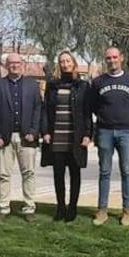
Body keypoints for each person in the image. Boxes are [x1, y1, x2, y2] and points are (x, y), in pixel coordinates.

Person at [0, 53, 43, 223]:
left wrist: (34, 131)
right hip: (4, 138)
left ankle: (29, 207)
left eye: (17, 63)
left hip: (27, 137)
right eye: (11, 63)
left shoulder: (32, 85)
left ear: (23, 64)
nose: (14, 66)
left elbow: (38, 110)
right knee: (4, 175)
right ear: (5, 65)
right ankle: (3, 208)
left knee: (29, 173)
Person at [41, 51, 95, 223]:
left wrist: (88, 134)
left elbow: (87, 112)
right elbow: (45, 111)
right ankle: (60, 207)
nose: (65, 64)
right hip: (57, 137)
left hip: (75, 137)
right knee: (58, 174)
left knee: (75, 174)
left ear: (73, 63)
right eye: (62, 61)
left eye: (68, 61)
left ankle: (72, 208)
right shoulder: (52, 85)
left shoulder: (83, 86)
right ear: (59, 64)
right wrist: (46, 132)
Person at [92, 47, 129, 226]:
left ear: (121, 58)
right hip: (104, 131)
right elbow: (94, 106)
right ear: (105, 60)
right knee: (104, 171)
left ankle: (127, 211)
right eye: (108, 58)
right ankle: (102, 210)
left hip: (126, 132)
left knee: (127, 171)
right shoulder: (98, 82)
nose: (112, 60)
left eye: (115, 57)